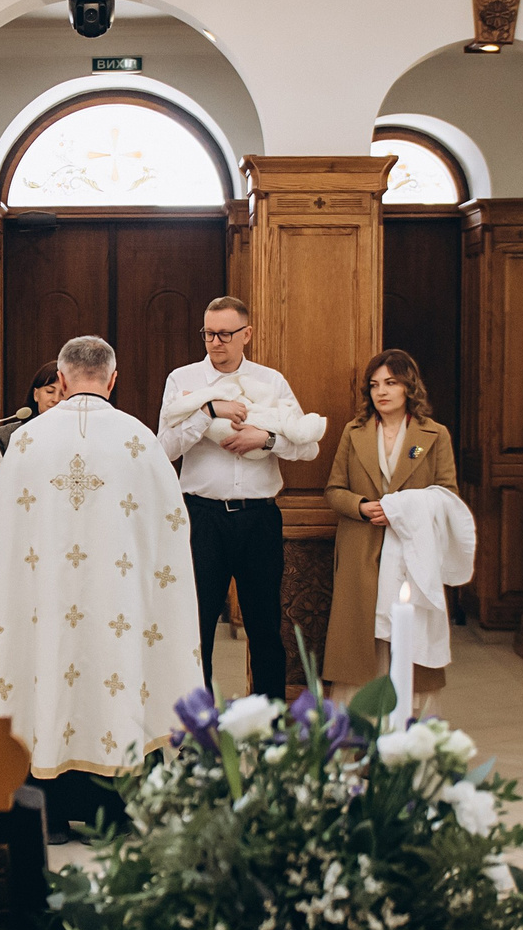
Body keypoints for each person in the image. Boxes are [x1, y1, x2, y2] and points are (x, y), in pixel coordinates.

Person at [0, 336, 201, 820]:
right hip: (117, 604)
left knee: (47, 677)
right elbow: (171, 531)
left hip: (45, 603)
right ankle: (114, 814)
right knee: (116, 681)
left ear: (59, 378)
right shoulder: (140, 439)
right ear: (112, 379)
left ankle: (48, 815)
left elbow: (0, 531)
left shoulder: (28, 440)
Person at [158, 296, 323, 701]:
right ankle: (197, 730)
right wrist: (208, 409)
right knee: (196, 628)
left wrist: (264, 439)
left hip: (259, 519)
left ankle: (269, 727)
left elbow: (306, 446)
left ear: (246, 334)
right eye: (209, 333)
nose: (215, 342)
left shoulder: (272, 382)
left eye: (225, 334)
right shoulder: (183, 381)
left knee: (265, 626)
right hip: (201, 518)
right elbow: (164, 448)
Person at [322, 350, 464, 709]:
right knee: (362, 643)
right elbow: (333, 490)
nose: (381, 392)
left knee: (410, 634)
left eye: (391, 383)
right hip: (362, 551)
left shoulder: (434, 435)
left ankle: (409, 730)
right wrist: (360, 506)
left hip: (412, 549)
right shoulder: (353, 433)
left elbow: (448, 495)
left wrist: (404, 510)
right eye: (374, 385)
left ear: (408, 387)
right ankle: (358, 729)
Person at [14, 361, 63, 449]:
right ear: (36, 394)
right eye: (50, 391)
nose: (56, 399)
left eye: (63, 394)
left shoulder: (79, 434)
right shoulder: (9, 434)